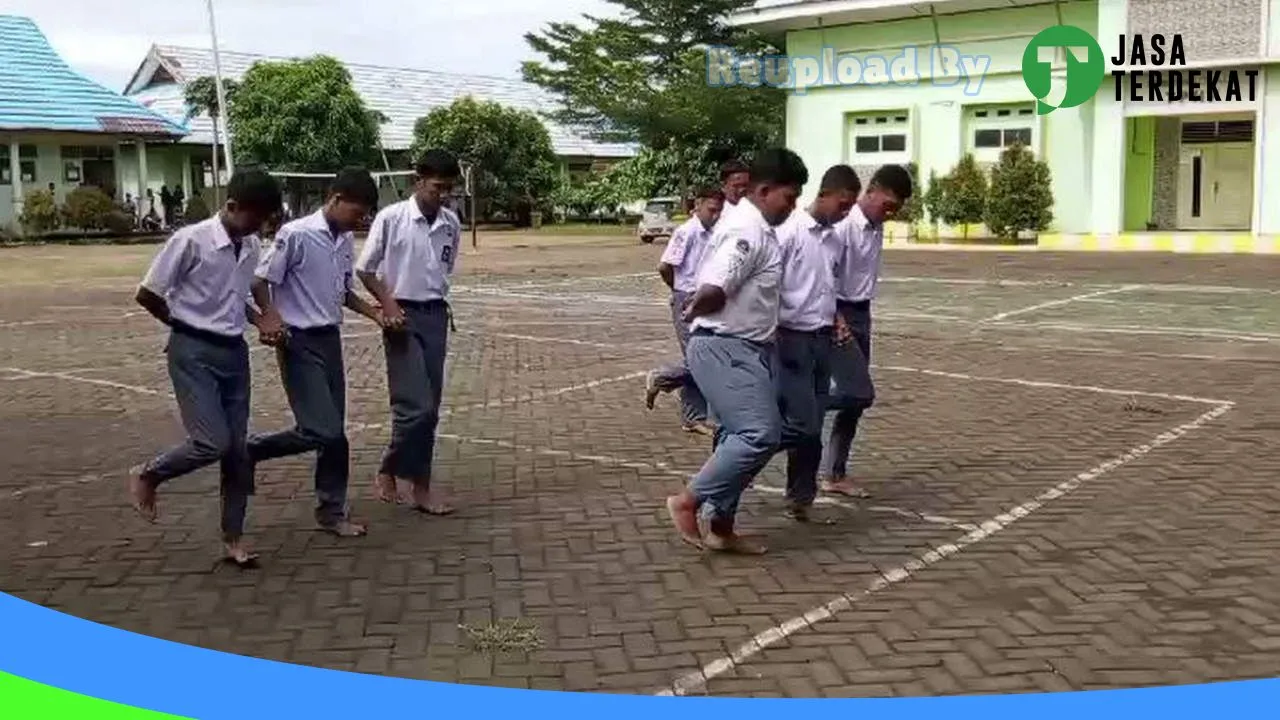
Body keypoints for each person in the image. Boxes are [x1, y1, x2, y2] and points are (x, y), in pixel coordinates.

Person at [127, 168, 284, 568]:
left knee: (237, 449)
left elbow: (232, 298)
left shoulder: (249, 246)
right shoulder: (191, 241)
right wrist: (181, 325)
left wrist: (260, 319)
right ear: (230, 206)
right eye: (254, 217)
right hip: (192, 350)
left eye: (265, 219)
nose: (259, 227)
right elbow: (148, 293)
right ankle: (150, 474)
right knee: (211, 441)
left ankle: (234, 537)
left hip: (233, 352)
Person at [665, 148, 808, 555]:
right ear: (763, 191)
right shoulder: (747, 231)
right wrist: (696, 306)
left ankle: (722, 528)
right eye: (789, 197)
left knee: (736, 436)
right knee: (759, 433)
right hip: (727, 347)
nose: (792, 206)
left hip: (748, 347)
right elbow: (716, 286)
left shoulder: (757, 228)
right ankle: (688, 501)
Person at [246, 168, 387, 538]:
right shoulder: (296, 235)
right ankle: (250, 451)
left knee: (334, 433)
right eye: (357, 213)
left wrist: (375, 313)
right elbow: (260, 280)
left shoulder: (343, 241)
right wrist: (270, 316)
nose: (361, 221)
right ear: (336, 199)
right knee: (320, 429)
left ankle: (331, 508)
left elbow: (343, 292)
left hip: (329, 339)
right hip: (298, 341)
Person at [356, 149, 463, 516]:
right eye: (437, 187)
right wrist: (387, 305)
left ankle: (421, 486)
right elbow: (366, 270)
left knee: (430, 410)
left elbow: (445, 269)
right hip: (401, 314)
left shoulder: (451, 222)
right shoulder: (392, 218)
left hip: (435, 316)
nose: (444, 195)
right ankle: (389, 467)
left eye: (449, 188)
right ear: (418, 182)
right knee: (412, 407)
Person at [772, 165, 861, 522]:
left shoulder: (834, 239)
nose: (845, 213)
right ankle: (737, 452)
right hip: (790, 338)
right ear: (823, 195)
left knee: (812, 423)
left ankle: (800, 496)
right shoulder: (789, 232)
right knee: (803, 425)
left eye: (849, 207)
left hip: (822, 339)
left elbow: (828, 287)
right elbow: (771, 286)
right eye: (842, 204)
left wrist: (836, 318)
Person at [820, 164, 914, 498]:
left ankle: (834, 473)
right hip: (837, 314)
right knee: (857, 392)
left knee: (855, 402)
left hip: (862, 313)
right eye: (886, 205)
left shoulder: (875, 227)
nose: (889, 213)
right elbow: (825, 275)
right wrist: (836, 318)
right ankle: (801, 403)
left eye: (895, 210)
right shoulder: (844, 226)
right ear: (870, 190)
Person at [643, 185, 724, 435]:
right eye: (711, 210)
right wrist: (678, 291)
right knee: (698, 359)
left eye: (719, 211)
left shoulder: (715, 232)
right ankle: (662, 377)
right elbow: (665, 266)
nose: (716, 215)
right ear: (697, 206)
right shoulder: (686, 232)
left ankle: (693, 417)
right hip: (686, 297)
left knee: (701, 356)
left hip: (704, 297)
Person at [716, 160, 751, 226]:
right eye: (736, 186)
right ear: (723, 186)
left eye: (745, 185)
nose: (742, 190)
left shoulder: (758, 211)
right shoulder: (717, 216)